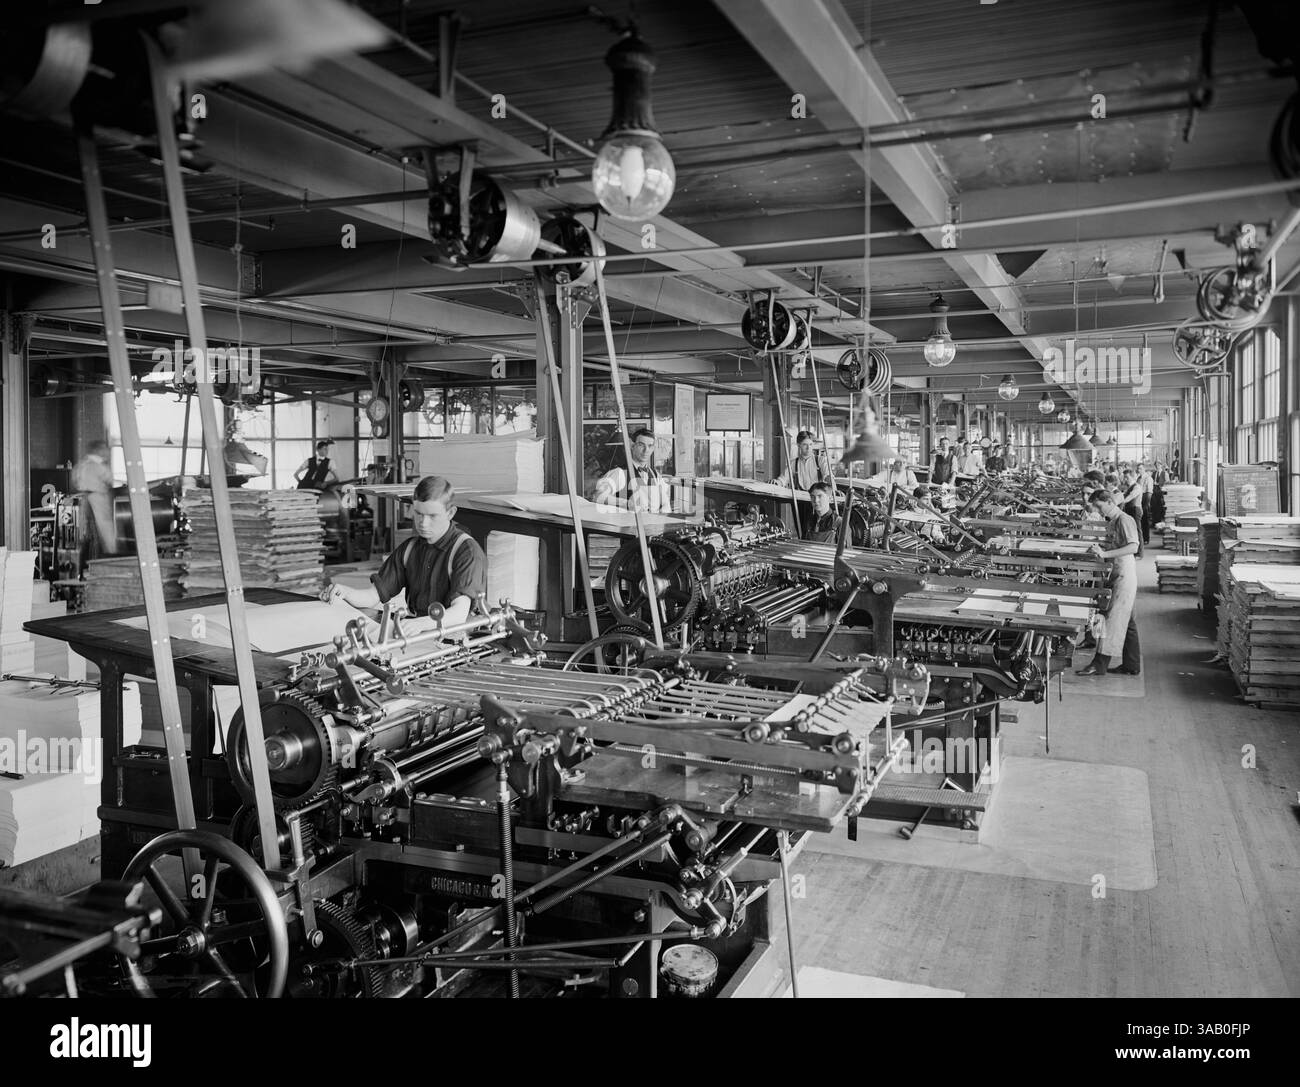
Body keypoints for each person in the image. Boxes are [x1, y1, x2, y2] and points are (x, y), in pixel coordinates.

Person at [326, 475, 487, 631]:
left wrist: (421, 624)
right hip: (421, 631)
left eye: (432, 516)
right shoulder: (409, 550)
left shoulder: (466, 551)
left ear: (450, 513)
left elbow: (459, 613)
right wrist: (345, 592)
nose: (423, 523)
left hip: (459, 635)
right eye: (418, 513)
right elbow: (373, 596)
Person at [1076, 488, 1141, 677]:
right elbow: (1117, 544)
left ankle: (1099, 664)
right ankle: (1132, 664)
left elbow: (1133, 546)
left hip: (1124, 575)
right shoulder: (1113, 521)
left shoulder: (1124, 519)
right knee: (1128, 621)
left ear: (1110, 502)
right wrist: (1101, 547)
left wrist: (1105, 554)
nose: (1097, 510)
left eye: (1099, 506)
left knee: (1111, 619)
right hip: (1116, 572)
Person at [593, 427, 671, 512]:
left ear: (653, 449)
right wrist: (627, 503)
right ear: (632, 446)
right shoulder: (620, 473)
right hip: (629, 523)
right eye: (641, 445)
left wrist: (662, 514)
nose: (646, 450)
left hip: (653, 523)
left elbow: (666, 503)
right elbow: (599, 496)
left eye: (650, 446)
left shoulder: (655, 474)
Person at [71, 439, 118, 566]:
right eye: (105, 449)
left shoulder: (81, 465)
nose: (107, 452)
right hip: (97, 499)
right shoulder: (99, 465)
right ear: (98, 450)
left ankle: (85, 562)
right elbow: (109, 480)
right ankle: (106, 560)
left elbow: (74, 481)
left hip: (83, 500)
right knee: (104, 531)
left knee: (86, 533)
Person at [1138, 463, 1154, 545]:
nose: (1139, 470)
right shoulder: (1139, 478)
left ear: (1144, 469)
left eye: (1140, 468)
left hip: (1145, 499)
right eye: (1138, 469)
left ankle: (1146, 538)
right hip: (1139, 500)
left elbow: (1149, 492)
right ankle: (1141, 538)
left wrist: (1146, 504)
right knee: (1140, 520)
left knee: (1145, 520)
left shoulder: (1148, 478)